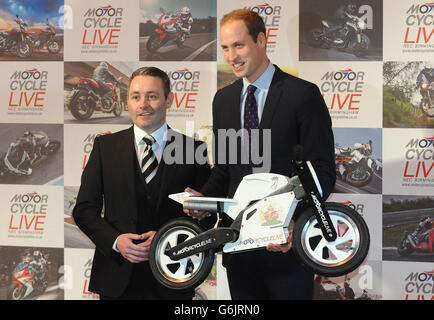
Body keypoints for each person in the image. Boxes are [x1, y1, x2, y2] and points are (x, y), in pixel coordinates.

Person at [185, 9, 335, 299]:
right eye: (226, 48)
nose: (231, 57)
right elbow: (226, 169)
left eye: (239, 45)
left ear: (262, 40)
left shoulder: (302, 95)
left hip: (286, 251)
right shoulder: (224, 100)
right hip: (238, 250)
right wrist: (204, 199)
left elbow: (322, 171)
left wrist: (295, 223)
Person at [72, 66, 211, 300]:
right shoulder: (105, 148)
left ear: (169, 100)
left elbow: (208, 216)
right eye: (135, 96)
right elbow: (84, 210)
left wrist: (168, 237)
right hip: (117, 280)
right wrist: (116, 241)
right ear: (127, 101)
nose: (143, 104)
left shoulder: (194, 151)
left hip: (173, 277)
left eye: (152, 96)